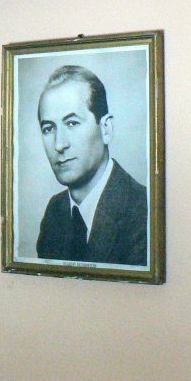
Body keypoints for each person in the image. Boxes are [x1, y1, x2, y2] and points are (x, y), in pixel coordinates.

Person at [34, 65, 148, 266]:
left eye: (72, 123)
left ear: (106, 129)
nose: (59, 144)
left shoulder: (143, 211)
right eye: (48, 128)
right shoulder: (55, 211)